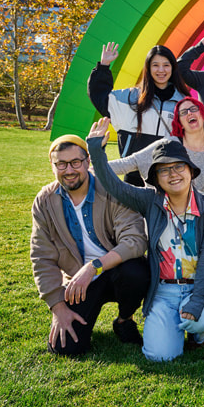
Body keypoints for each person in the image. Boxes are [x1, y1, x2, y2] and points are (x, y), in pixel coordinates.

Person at [87, 118, 204, 362]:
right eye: (164, 169)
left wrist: (196, 302)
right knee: (158, 356)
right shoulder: (150, 201)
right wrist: (96, 152)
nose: (173, 174)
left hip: (199, 285)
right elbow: (115, 187)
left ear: (190, 170)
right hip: (165, 290)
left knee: (200, 319)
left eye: (179, 167)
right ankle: (178, 325)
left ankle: (198, 334)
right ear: (156, 178)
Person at [30, 135, 149, 356]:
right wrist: (58, 307)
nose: (69, 170)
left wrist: (94, 266)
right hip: (78, 283)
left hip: (116, 271)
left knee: (136, 271)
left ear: (87, 162)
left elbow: (135, 240)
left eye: (76, 162)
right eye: (61, 164)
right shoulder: (45, 201)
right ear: (52, 166)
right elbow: (41, 256)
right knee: (65, 348)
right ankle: (83, 316)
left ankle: (124, 320)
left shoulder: (113, 189)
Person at [87, 43, 190, 185]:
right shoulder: (130, 98)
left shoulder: (184, 102)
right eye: (155, 65)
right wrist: (104, 66)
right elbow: (100, 95)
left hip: (169, 176)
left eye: (166, 65)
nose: (161, 70)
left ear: (173, 68)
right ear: (148, 68)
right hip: (133, 174)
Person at [107, 96, 204, 194]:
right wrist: (93, 168)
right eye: (183, 112)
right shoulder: (167, 145)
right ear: (179, 123)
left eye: (193, 109)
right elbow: (128, 163)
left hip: (202, 217)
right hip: (165, 215)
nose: (189, 113)